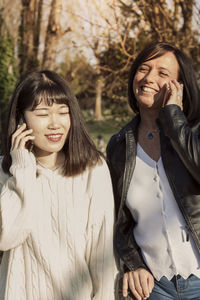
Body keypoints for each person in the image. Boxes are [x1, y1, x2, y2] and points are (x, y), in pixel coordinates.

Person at [0, 70, 116, 300]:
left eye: (63, 112)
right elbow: (7, 236)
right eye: (42, 113)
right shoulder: (4, 172)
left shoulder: (93, 169)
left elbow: (102, 253)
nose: (55, 124)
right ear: (21, 119)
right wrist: (22, 167)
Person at [106, 42, 200, 300]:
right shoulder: (118, 145)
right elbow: (120, 217)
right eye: (143, 69)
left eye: (162, 73)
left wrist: (173, 115)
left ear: (179, 86)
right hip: (154, 287)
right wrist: (133, 263)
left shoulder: (194, 131)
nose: (148, 78)